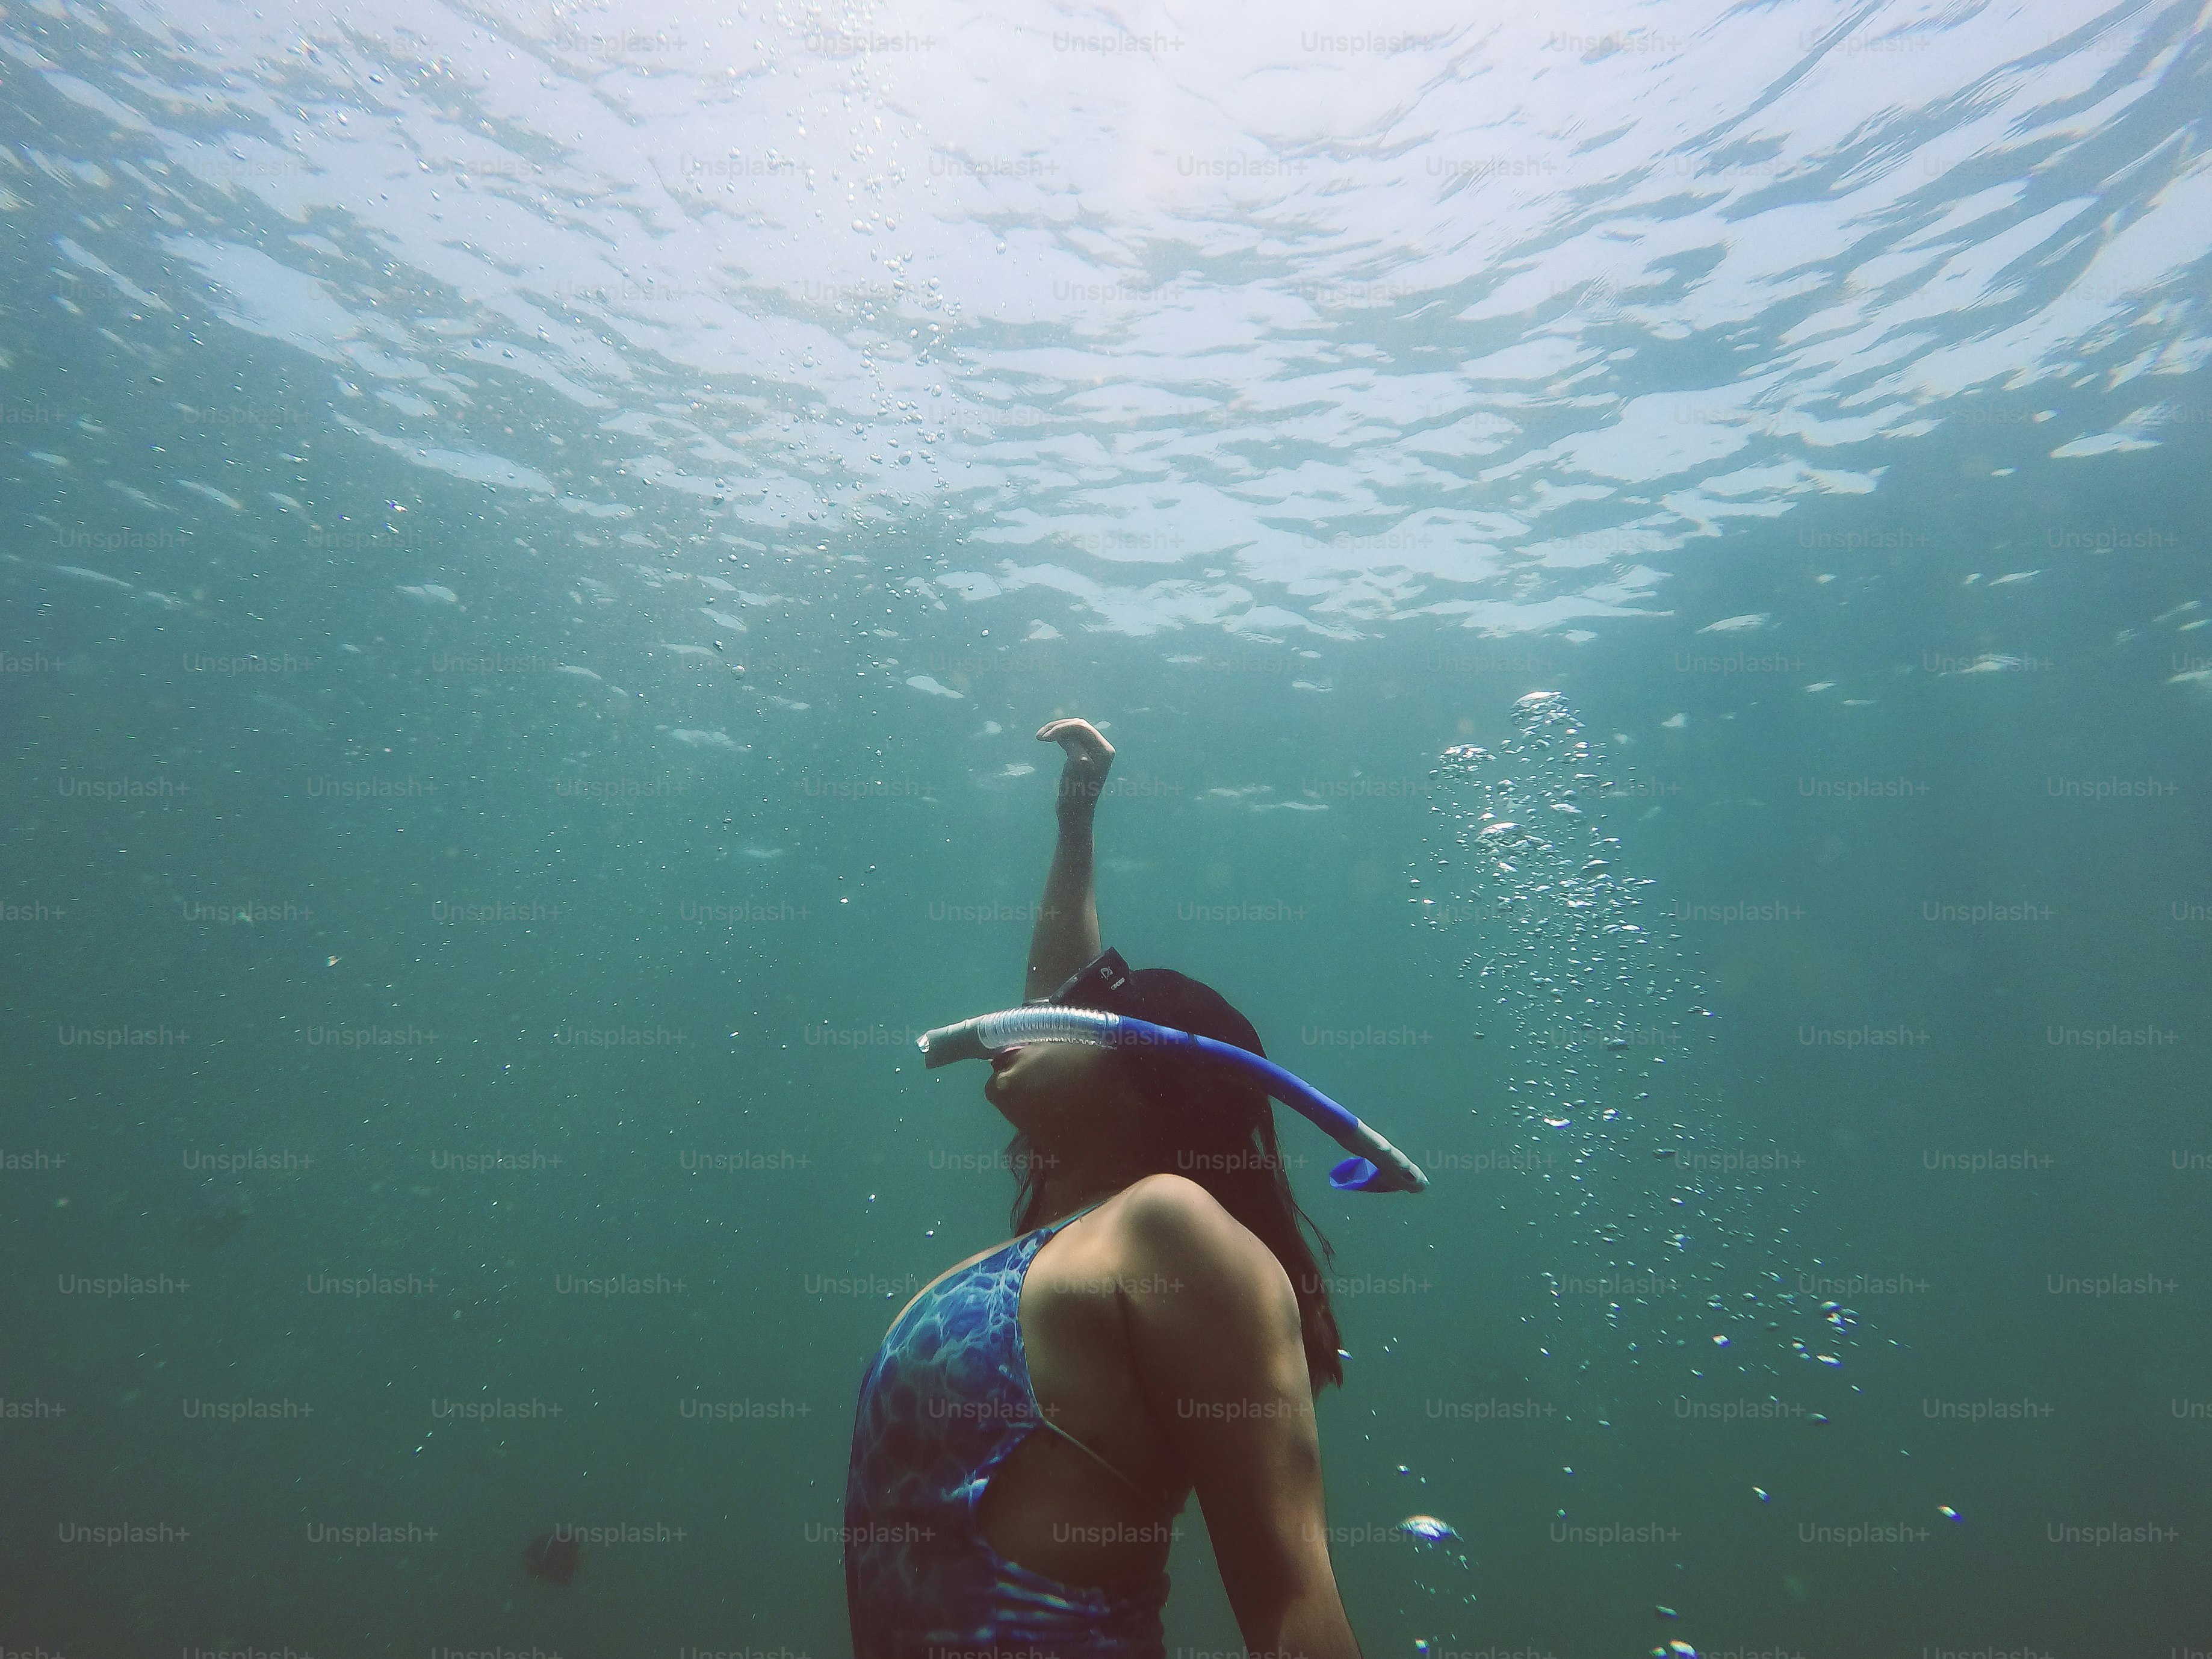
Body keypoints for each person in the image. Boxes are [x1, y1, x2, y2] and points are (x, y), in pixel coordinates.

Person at [843, 717, 1368, 1659]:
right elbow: (1063, 1002)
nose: (1021, 1022)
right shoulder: (1060, 1233)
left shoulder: (1168, 1231)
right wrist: (1075, 824)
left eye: (1065, 1020)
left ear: (1143, 1073)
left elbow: (1293, 1596)